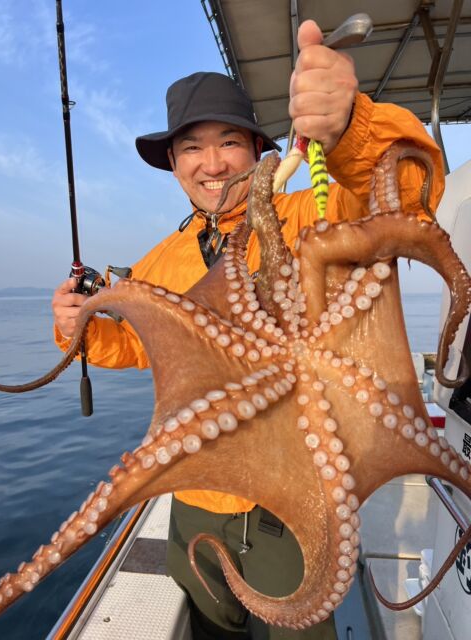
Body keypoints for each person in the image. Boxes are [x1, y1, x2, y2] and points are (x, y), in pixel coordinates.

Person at [52, 20, 444, 640]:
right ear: (174, 164)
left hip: (289, 508)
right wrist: (81, 329)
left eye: (228, 141)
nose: (211, 164)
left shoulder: (309, 214)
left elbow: (403, 197)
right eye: (191, 148)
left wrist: (350, 128)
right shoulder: (162, 261)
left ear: (259, 149)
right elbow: (140, 345)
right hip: (194, 507)